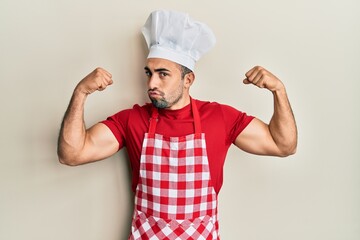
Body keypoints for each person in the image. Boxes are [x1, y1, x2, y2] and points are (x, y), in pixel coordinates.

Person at [57, 10, 297, 240]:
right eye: (148, 73)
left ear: (188, 79)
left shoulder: (220, 117)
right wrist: (81, 92)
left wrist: (279, 90)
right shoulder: (132, 120)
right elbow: (72, 153)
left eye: (163, 74)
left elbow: (283, 145)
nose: (152, 83)